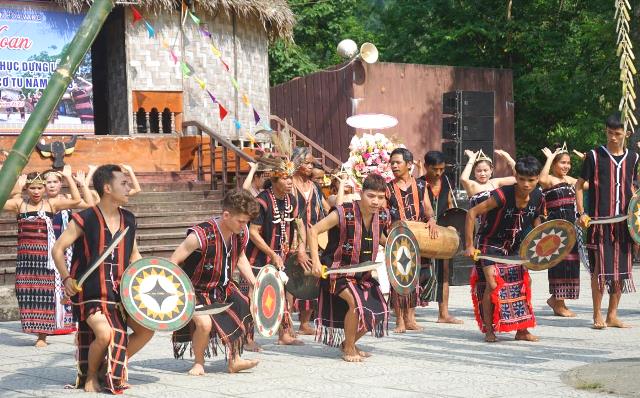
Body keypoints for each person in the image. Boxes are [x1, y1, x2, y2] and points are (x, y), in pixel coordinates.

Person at [52, 165, 154, 393]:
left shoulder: (129, 219)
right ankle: (90, 375)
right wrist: (66, 277)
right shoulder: (84, 218)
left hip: (120, 292)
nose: (129, 188)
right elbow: (57, 249)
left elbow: (134, 253)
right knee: (105, 334)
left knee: (147, 331)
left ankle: (110, 365)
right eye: (124, 184)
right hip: (89, 293)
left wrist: (144, 279)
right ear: (107, 188)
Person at [169, 189, 260, 375]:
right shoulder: (200, 235)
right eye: (241, 221)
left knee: (242, 306)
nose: (244, 226)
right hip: (195, 290)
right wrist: (179, 293)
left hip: (223, 287)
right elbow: (173, 261)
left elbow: (240, 256)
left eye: (246, 222)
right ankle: (199, 363)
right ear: (226, 215)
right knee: (204, 325)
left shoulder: (240, 233)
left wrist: (253, 281)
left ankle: (235, 360)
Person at [309, 174, 390, 362]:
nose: (376, 201)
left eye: (380, 197)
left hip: (363, 273)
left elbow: (385, 239)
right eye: (371, 196)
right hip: (337, 271)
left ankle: (348, 342)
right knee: (357, 303)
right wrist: (315, 261)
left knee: (380, 310)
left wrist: (397, 247)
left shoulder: (383, 216)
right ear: (361, 193)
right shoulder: (343, 212)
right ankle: (349, 349)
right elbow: (313, 231)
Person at [465, 156, 543, 343]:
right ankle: (489, 330)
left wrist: (540, 242)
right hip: (489, 243)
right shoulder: (501, 195)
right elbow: (472, 212)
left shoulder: (539, 196)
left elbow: (536, 220)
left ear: (538, 178)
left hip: (515, 246)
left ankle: (521, 330)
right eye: (522, 179)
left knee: (524, 283)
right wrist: (469, 245)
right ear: (516, 176)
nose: (526, 184)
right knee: (492, 285)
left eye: (531, 180)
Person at [2, 169, 82, 347]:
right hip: (25, 258)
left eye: (40, 187)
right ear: (27, 188)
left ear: (45, 188)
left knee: (45, 294)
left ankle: (42, 336)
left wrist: (69, 177)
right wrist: (16, 185)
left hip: (45, 257)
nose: (36, 191)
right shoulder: (19, 204)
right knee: (25, 292)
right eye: (32, 188)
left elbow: (76, 201)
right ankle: (31, 327)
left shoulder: (51, 204)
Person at [575, 113, 638, 329]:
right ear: (606, 131)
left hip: (625, 224)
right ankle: (596, 315)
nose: (613, 137)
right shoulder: (593, 156)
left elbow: (632, 187)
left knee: (620, 270)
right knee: (600, 270)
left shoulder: (633, 158)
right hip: (600, 223)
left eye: (617, 134)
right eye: (610, 133)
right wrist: (582, 212)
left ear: (626, 134)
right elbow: (578, 185)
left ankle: (613, 314)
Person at [246, 145, 307, 346]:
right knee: (253, 294)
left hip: (282, 254)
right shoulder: (261, 201)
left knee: (280, 291)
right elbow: (253, 233)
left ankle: (284, 334)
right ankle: (247, 337)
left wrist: (300, 247)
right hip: (258, 256)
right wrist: (272, 253)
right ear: (274, 179)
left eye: (291, 177)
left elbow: (298, 224)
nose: (290, 182)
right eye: (285, 178)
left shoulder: (292, 200)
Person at [385, 148, 437, 333]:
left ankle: (411, 318)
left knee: (415, 279)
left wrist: (431, 220)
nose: (394, 166)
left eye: (397, 162)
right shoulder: (387, 188)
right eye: (392, 162)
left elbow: (428, 209)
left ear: (409, 164)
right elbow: (384, 215)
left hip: (417, 239)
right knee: (398, 280)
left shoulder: (421, 186)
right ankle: (399, 320)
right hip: (398, 240)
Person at [41, 166, 94, 337]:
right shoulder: (40, 201)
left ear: (61, 183)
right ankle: (50, 323)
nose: (51, 185)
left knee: (68, 282)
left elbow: (91, 205)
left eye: (55, 182)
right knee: (49, 286)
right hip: (46, 246)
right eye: (48, 182)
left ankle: (68, 322)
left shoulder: (68, 198)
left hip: (68, 247)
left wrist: (78, 182)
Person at [291, 147, 331, 335]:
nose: (310, 166)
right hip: (291, 239)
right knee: (291, 280)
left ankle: (305, 323)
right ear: (297, 163)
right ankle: (286, 324)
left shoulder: (315, 187)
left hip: (314, 240)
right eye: (307, 163)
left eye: (311, 163)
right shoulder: (288, 184)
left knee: (311, 279)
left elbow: (328, 209)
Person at [421, 151, 463, 324]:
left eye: (441, 169)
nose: (438, 173)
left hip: (444, 231)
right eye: (435, 169)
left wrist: (454, 224)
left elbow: (451, 205)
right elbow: (426, 208)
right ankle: (404, 312)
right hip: (424, 230)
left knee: (444, 271)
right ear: (426, 167)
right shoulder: (420, 183)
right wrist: (431, 220)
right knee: (421, 272)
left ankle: (443, 314)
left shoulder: (446, 181)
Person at [539, 145, 581, 317]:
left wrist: (587, 162)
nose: (566, 166)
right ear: (554, 164)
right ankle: (558, 303)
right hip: (555, 229)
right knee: (558, 263)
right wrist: (550, 157)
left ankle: (556, 300)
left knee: (570, 263)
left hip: (570, 227)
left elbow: (587, 183)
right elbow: (541, 178)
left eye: (569, 163)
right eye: (562, 162)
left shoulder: (570, 180)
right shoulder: (549, 179)